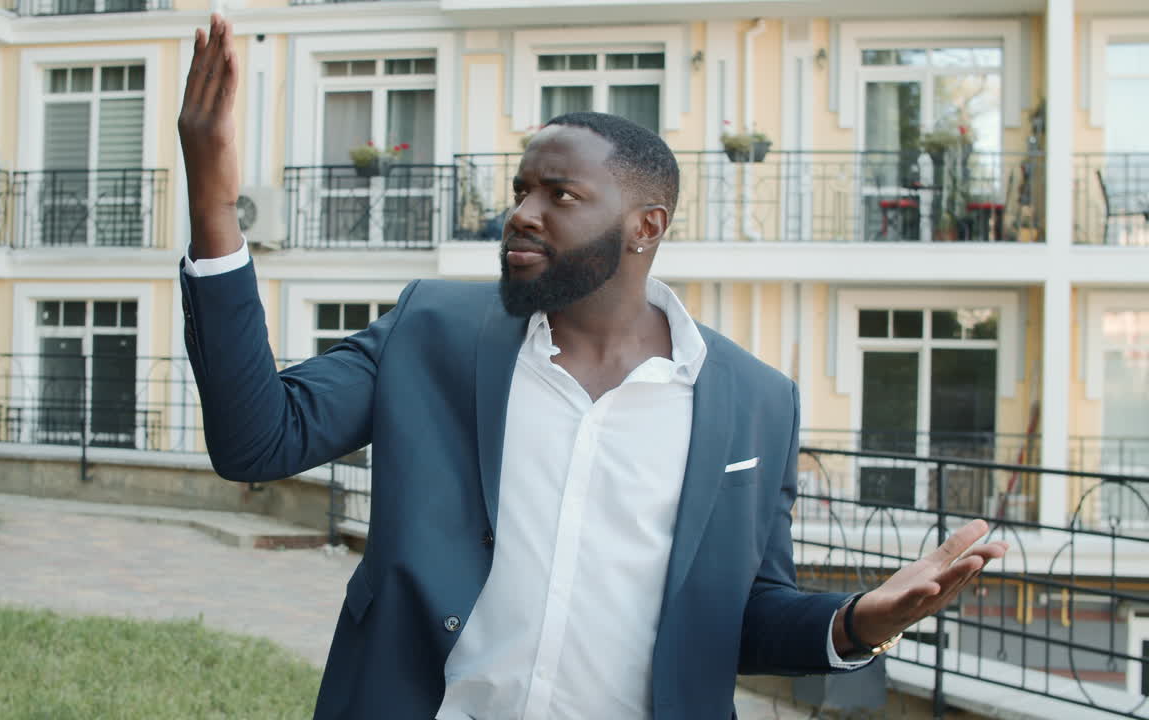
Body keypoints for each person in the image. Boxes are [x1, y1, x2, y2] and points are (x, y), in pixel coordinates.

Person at [177, 15, 1009, 720]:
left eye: (559, 196)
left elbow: (741, 614)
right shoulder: (431, 328)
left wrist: (861, 620)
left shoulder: (758, 402)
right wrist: (214, 199)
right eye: (521, 189)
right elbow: (257, 441)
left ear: (646, 225)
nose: (522, 214)